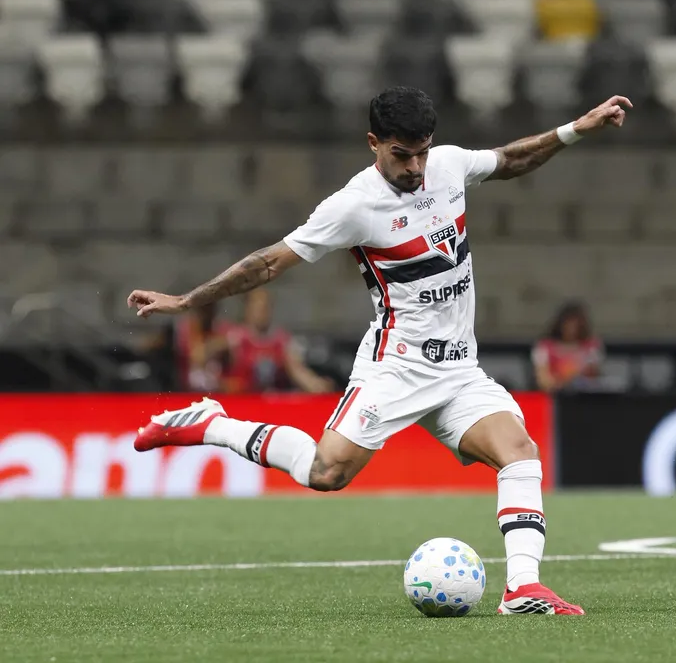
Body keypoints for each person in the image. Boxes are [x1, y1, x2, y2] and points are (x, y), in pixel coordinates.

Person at [128, 86, 631, 616]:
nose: (416, 166)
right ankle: (212, 424)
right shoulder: (353, 206)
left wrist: (578, 127)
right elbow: (268, 263)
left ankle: (523, 589)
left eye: (422, 152)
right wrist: (187, 301)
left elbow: (511, 159)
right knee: (327, 473)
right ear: (374, 143)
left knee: (520, 454)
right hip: (396, 366)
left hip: (459, 370)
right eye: (401, 154)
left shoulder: (448, 166)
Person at [226, 289, 335, 394]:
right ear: (247, 309)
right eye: (258, 307)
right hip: (241, 400)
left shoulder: (280, 340)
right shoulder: (233, 338)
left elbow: (296, 369)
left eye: (266, 307)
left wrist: (315, 384)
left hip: (271, 401)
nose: (262, 312)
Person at [532, 302, 603, 392]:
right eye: (568, 325)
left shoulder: (591, 347)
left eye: (575, 325)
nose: (571, 329)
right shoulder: (544, 347)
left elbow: (594, 375)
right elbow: (543, 380)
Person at [173, 303, 232, 393]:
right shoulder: (187, 328)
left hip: (217, 387)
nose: (206, 314)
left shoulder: (221, 327)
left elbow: (231, 355)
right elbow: (196, 357)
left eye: (210, 309)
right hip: (190, 389)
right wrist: (213, 346)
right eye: (203, 309)